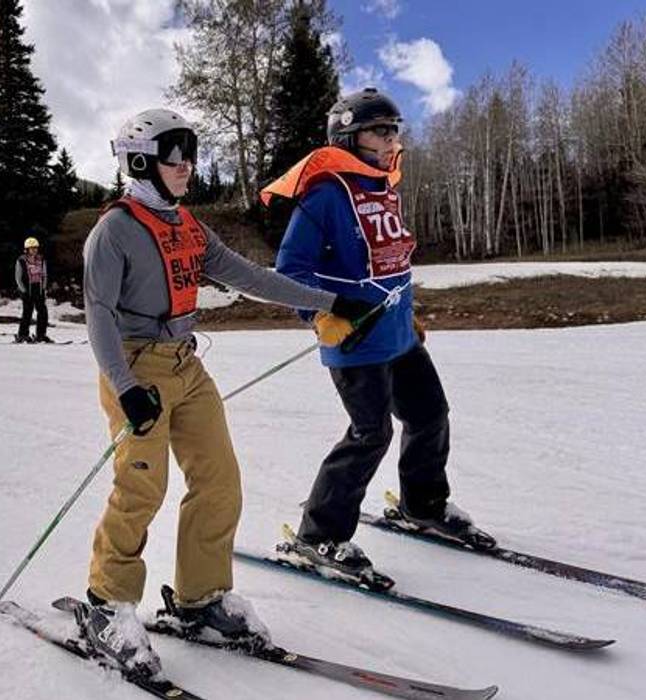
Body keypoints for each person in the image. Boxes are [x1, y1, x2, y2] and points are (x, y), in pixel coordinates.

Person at [78, 107, 360, 679]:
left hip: (185, 364)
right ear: (141, 162)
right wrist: (126, 388)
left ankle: (199, 599)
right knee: (141, 489)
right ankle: (106, 605)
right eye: (173, 155)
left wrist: (331, 301)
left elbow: (249, 277)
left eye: (190, 154)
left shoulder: (187, 226)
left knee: (219, 479)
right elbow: (98, 315)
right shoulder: (114, 230)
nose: (186, 166)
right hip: (136, 367)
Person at [267, 88, 494, 587]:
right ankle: (318, 534)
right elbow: (291, 269)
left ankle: (423, 503)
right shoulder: (325, 194)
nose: (391, 139)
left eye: (394, 130)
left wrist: (409, 315)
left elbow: (393, 265)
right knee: (370, 434)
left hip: (396, 334)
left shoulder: (382, 187)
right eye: (379, 131)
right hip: (354, 339)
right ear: (347, 137)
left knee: (430, 414)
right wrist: (318, 314)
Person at [14, 238, 51, 343]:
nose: (34, 250)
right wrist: (23, 291)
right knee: (27, 312)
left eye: (35, 248)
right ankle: (22, 335)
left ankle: (41, 335)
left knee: (43, 313)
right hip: (27, 290)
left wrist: (43, 288)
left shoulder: (41, 259)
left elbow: (44, 274)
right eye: (32, 248)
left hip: (38, 289)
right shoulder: (21, 260)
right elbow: (18, 277)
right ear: (27, 249)